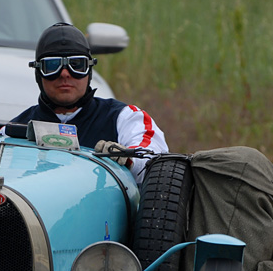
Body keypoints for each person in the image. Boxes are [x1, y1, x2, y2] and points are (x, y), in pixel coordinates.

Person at [9, 22, 169, 182]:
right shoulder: (13, 130)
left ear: (90, 70)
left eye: (77, 65)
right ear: (38, 72)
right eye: (52, 65)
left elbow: (154, 157)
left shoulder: (125, 117)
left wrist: (128, 159)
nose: (65, 73)